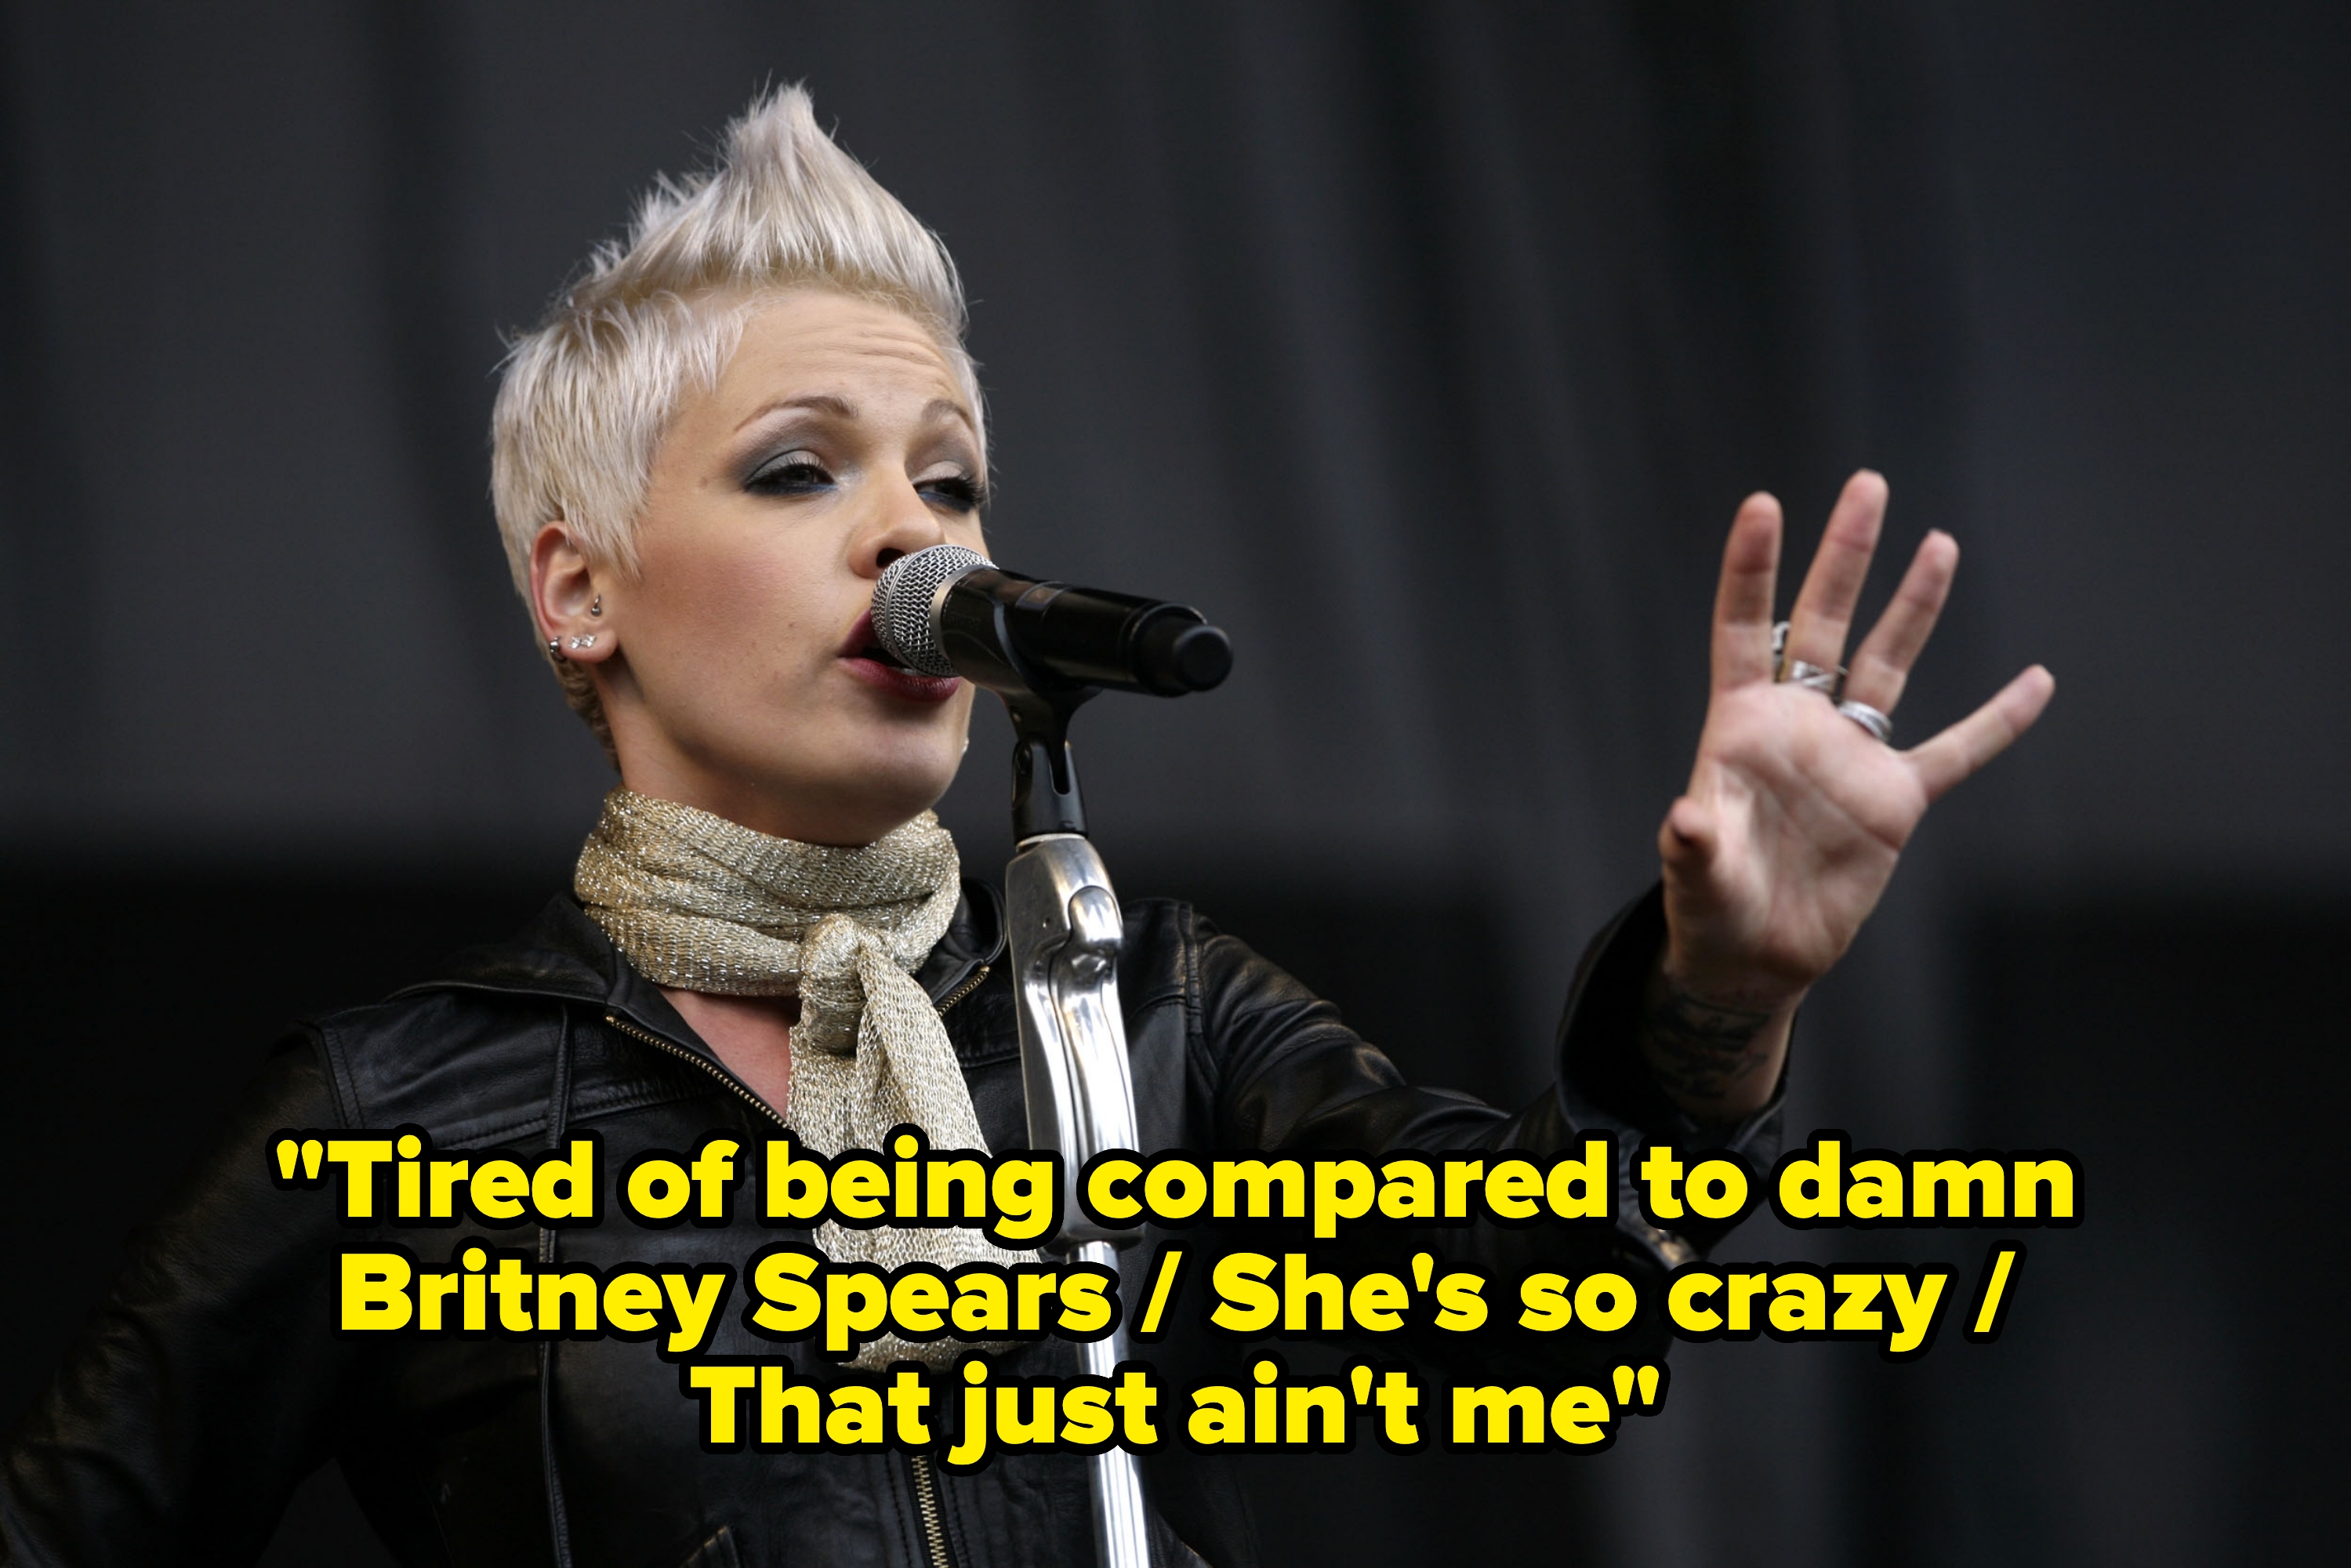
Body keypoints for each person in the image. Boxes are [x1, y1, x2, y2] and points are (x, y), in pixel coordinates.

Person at [0, 87, 2051, 1568]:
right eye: (799, 470)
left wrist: (1719, 995)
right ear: (580, 587)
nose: (916, 536)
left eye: (955, 480)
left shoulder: (1153, 1015)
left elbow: (1551, 1290)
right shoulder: (403, 1118)